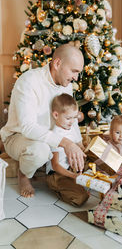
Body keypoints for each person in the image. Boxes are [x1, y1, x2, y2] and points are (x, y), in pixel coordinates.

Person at [0, 44, 86, 198]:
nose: (76, 78)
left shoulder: (67, 85)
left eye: (78, 73)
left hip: (48, 138)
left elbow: (70, 117)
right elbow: (27, 127)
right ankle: (24, 174)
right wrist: (66, 143)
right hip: (18, 137)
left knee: (48, 148)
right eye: (74, 71)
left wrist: (78, 144)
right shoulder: (29, 81)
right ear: (57, 63)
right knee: (40, 151)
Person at [46, 93, 89, 206]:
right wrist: (73, 176)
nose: (72, 121)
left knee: (94, 164)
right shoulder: (54, 135)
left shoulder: (71, 128)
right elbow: (55, 165)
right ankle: (59, 188)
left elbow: (80, 148)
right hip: (58, 174)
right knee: (81, 198)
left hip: (72, 168)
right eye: (68, 118)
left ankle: (76, 183)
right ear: (56, 115)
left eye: (74, 118)